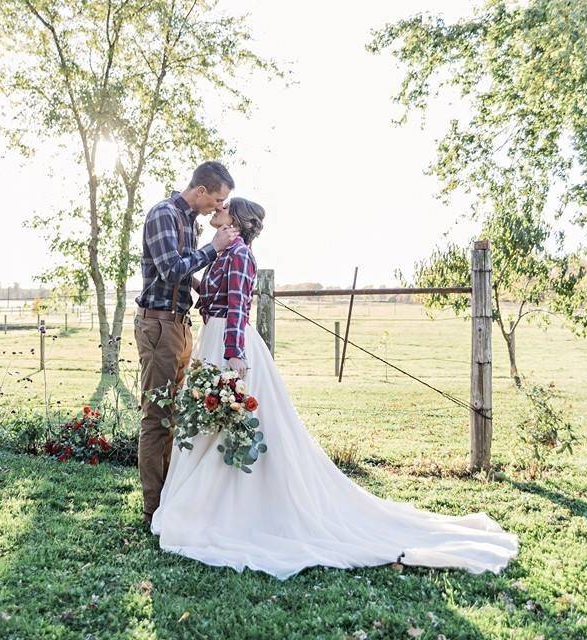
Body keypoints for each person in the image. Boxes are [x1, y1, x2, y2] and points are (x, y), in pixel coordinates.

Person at [150, 197, 519, 580]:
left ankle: (234, 509)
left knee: (234, 423)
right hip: (212, 339)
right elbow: (213, 294)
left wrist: (233, 354)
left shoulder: (240, 254)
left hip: (231, 344)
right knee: (213, 426)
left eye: (224, 208)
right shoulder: (224, 252)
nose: (217, 209)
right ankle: (206, 506)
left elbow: (239, 308)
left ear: (237, 222)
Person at [134, 161, 239, 527]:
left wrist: (203, 288)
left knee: (175, 416)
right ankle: (153, 510)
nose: (219, 207)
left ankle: (170, 501)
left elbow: (182, 274)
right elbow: (170, 269)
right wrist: (213, 249)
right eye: (218, 199)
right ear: (201, 192)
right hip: (158, 327)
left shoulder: (189, 221)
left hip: (179, 326)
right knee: (156, 418)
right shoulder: (163, 214)